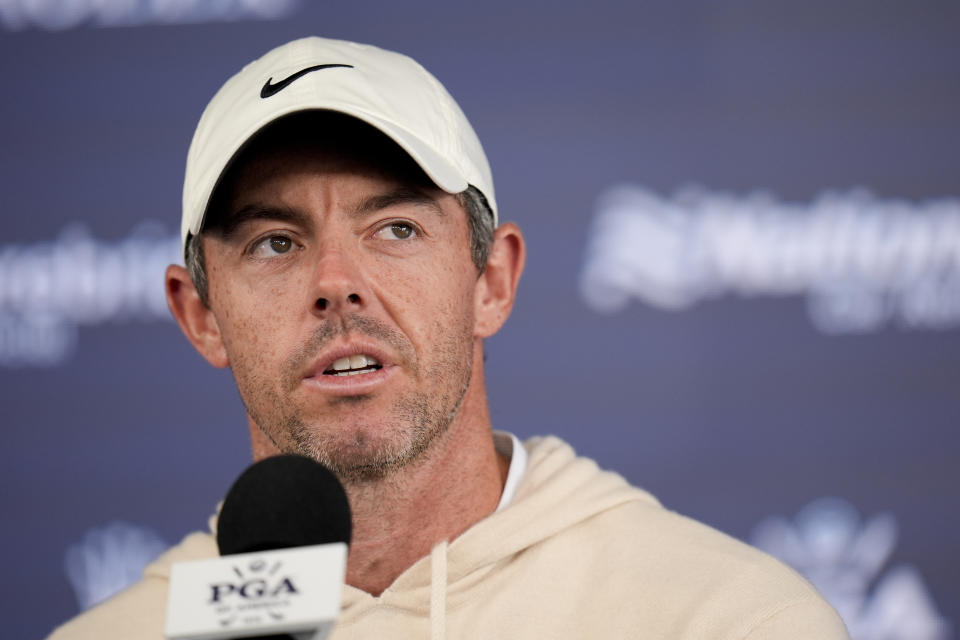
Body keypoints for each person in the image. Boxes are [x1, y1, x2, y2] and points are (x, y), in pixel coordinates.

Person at [49, 36, 848, 639]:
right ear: (201, 314)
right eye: (275, 242)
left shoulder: (726, 620)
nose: (337, 280)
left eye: (395, 227)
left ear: (490, 281)